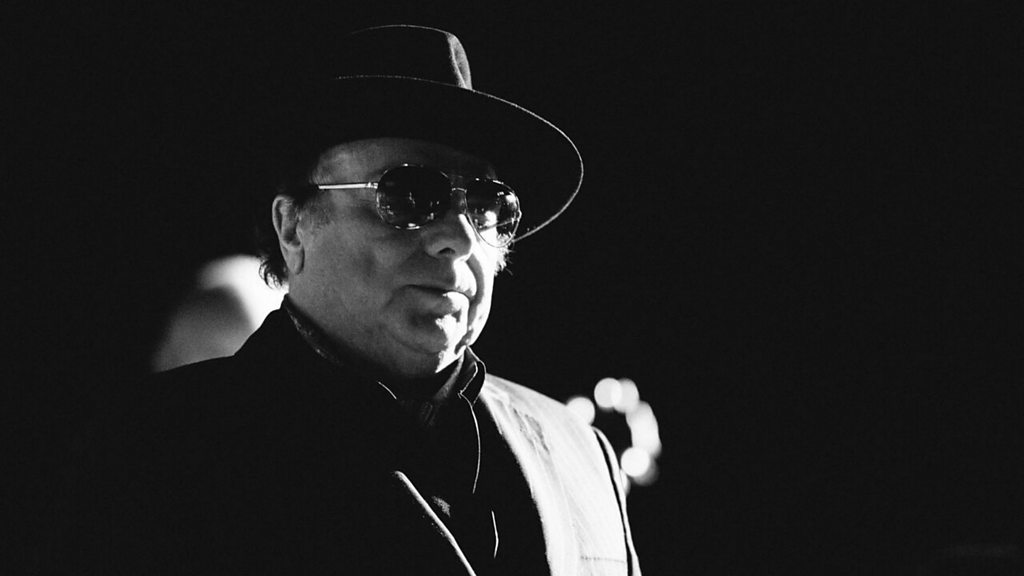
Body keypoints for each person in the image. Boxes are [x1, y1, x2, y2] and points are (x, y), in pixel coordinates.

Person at [60, 24, 641, 575]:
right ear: (293, 228)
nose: (461, 238)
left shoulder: (582, 453)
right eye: (410, 194)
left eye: (488, 206)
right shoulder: (149, 458)